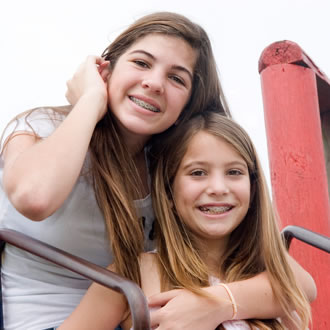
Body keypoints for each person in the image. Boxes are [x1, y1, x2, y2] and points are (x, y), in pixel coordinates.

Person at [0, 11, 314, 330]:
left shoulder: (174, 166)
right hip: (47, 321)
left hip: (136, 307)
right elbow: (34, 197)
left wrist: (216, 303)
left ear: (187, 105)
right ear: (105, 70)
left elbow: (300, 283)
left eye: (176, 78)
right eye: (141, 63)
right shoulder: (43, 127)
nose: (153, 83)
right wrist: (91, 101)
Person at [58, 112, 311, 330]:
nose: (218, 188)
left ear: (253, 189)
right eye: (198, 173)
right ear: (168, 191)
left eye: (234, 172)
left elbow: (307, 286)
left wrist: (220, 304)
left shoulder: (269, 273)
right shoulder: (131, 275)